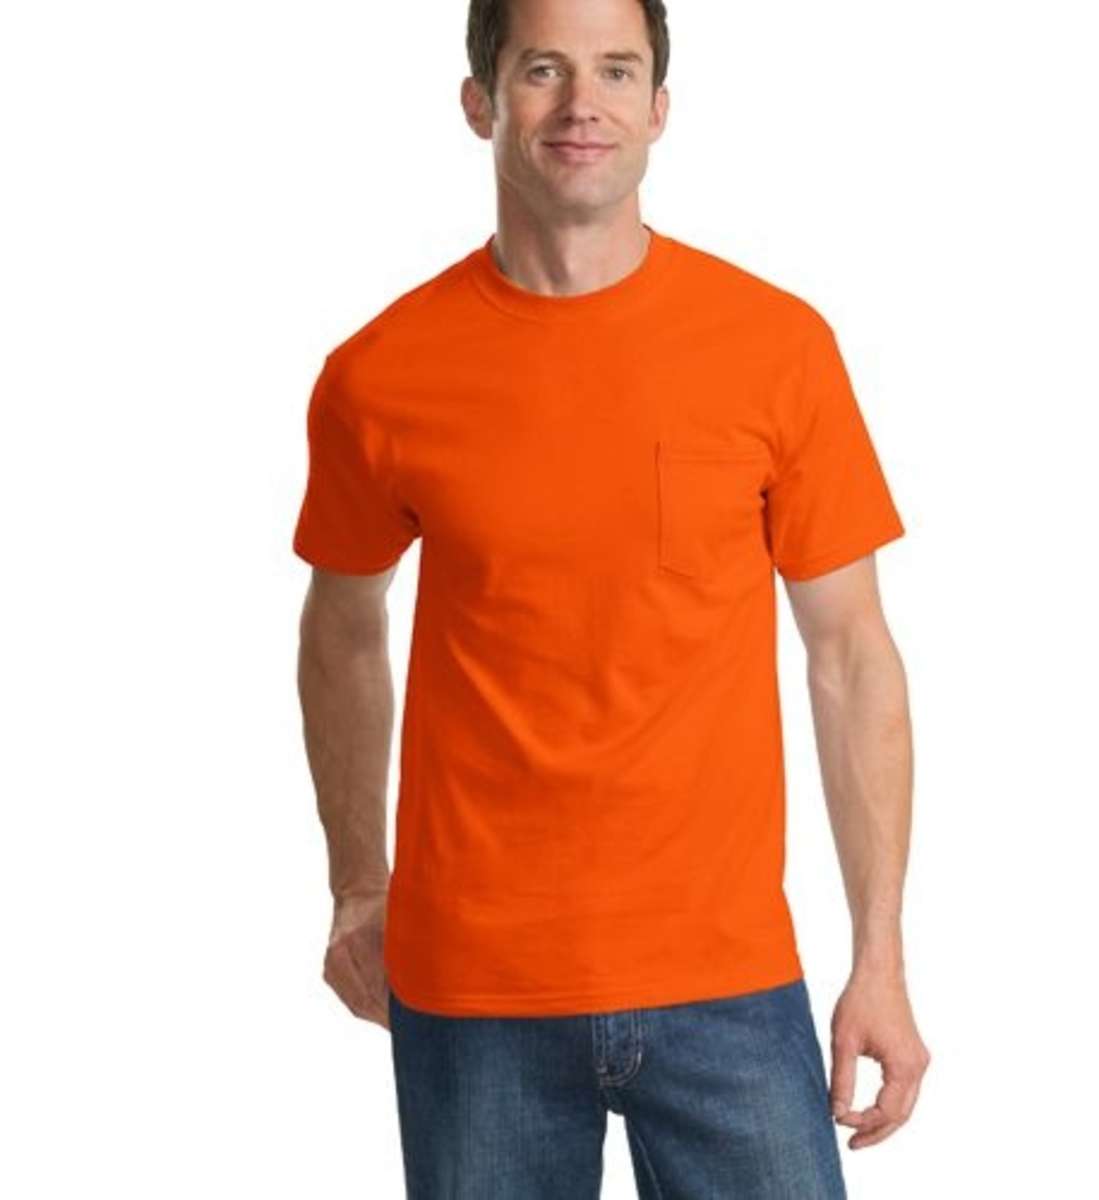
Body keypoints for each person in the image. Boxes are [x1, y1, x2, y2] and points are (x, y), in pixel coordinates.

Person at [292, 0, 930, 1194]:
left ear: (659, 108)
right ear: (480, 102)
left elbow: (851, 658)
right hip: (473, 984)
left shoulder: (776, 346)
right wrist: (355, 881)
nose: (582, 104)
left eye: (617, 71)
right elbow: (342, 631)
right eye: (543, 69)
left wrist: (880, 956)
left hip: (727, 975)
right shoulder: (379, 375)